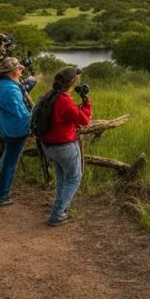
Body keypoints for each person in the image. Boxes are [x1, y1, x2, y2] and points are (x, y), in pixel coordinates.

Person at [39, 67, 92, 226]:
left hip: (48, 145)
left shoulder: (50, 96)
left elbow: (67, 115)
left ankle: (58, 208)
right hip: (64, 146)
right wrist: (87, 102)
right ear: (72, 83)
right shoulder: (64, 101)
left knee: (62, 176)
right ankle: (58, 213)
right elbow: (84, 120)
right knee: (75, 177)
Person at [0, 56, 33, 207]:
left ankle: (2, 192)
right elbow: (21, 114)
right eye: (19, 68)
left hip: (3, 125)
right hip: (15, 129)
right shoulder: (10, 90)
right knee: (10, 163)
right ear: (12, 71)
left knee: (6, 159)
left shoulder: (1, 82)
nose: (21, 70)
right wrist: (36, 118)